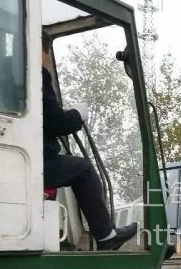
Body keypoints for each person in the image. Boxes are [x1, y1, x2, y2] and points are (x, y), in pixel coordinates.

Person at [42, 33, 137, 250]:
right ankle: (106, 236)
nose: (48, 62)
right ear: (44, 52)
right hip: (36, 161)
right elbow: (57, 123)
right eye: (48, 55)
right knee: (83, 169)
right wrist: (77, 115)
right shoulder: (35, 75)